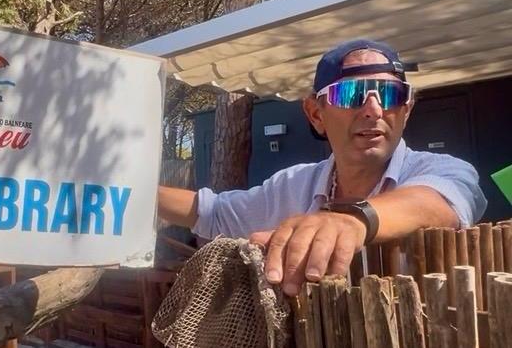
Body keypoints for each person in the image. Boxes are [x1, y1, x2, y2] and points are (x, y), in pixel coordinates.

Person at [158, 39, 486, 296]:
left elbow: (438, 204)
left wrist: (355, 221)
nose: (373, 110)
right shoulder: (291, 185)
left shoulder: (445, 171)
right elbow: (213, 211)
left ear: (407, 109)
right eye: (351, 94)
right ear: (316, 113)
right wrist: (135, 192)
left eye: (390, 95)